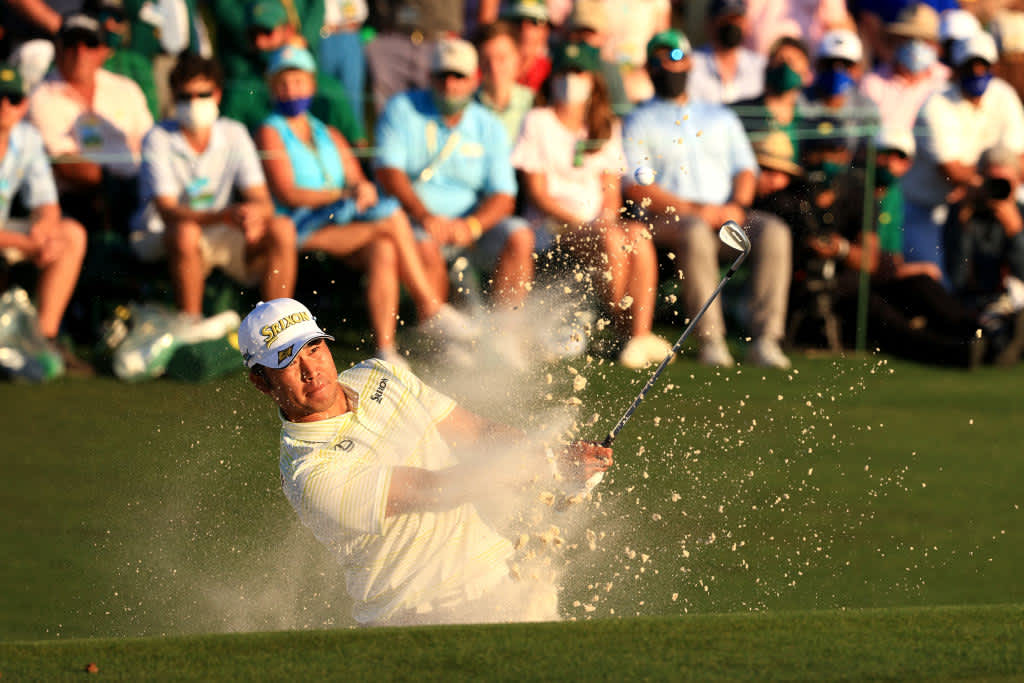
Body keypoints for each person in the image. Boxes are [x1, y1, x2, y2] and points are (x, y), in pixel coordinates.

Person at [240, 296, 613, 626]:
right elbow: (436, 490)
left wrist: (550, 457)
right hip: (420, 616)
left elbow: (478, 433)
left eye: (314, 348)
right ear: (261, 383)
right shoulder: (311, 474)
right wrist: (546, 465)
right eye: (287, 361)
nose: (311, 369)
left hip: (500, 577)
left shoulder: (377, 374)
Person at [256, 46, 477, 366]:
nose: (292, 90)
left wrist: (360, 190)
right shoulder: (270, 130)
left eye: (299, 81)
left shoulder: (327, 132)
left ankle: (386, 349)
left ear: (312, 85)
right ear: (272, 87)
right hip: (297, 226)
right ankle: (430, 307)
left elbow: (357, 179)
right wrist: (343, 193)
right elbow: (289, 193)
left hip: (337, 223)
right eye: (284, 83)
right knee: (391, 218)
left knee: (385, 246)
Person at [781, 120, 1021, 367]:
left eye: (898, 157)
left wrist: (848, 252)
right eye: (884, 155)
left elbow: (876, 257)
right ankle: (956, 352)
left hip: (870, 278)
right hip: (843, 289)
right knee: (884, 314)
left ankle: (988, 334)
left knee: (923, 284)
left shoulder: (887, 194)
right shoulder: (816, 195)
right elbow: (866, 260)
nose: (890, 164)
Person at [623, 30, 793, 369]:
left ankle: (765, 339)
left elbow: (746, 170)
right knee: (695, 230)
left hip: (727, 215)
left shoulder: (720, 116)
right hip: (672, 220)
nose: (666, 66)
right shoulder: (638, 120)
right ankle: (711, 340)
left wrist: (738, 206)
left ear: (689, 63)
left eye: (673, 57)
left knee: (774, 231)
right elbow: (638, 186)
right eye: (657, 60)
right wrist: (700, 210)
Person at [511, 42, 672, 368]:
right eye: (565, 72)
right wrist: (584, 222)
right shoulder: (538, 121)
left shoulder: (604, 125)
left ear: (592, 79)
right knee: (612, 240)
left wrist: (607, 218)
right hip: (551, 226)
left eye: (579, 72)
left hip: (596, 223)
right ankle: (625, 328)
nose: (571, 79)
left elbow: (610, 188)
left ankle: (638, 335)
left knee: (637, 234)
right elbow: (538, 195)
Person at [374, 38, 536, 357]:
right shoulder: (402, 109)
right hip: (416, 221)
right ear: (430, 77)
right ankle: (441, 341)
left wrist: (473, 225)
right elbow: (389, 173)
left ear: (475, 80)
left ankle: (504, 335)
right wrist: (424, 216)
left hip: (470, 224)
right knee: (424, 244)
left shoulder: (487, 125)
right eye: (443, 75)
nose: (450, 84)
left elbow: (504, 195)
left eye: (459, 76)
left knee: (519, 235)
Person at [130, 54, 297, 318]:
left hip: (221, 228)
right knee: (185, 232)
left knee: (282, 228)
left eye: (202, 94)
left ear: (217, 94)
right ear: (174, 97)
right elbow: (167, 212)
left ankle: (281, 328)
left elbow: (261, 200)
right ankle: (192, 325)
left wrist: (252, 216)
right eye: (185, 96)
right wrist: (228, 216)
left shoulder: (234, 132)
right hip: (161, 233)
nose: (194, 103)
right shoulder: (157, 138)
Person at [900, 30, 1024, 274]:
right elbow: (952, 170)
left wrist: (993, 186)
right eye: (969, 67)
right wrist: (993, 179)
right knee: (939, 282)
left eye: (983, 66)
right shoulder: (936, 104)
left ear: (994, 68)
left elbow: (1018, 158)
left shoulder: (1003, 95)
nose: (977, 73)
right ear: (956, 69)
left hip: (984, 203)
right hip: (931, 209)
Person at [0, 63, 90, 374]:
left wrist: (43, 230)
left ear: (23, 104)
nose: (4, 106)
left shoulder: (25, 137)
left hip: (8, 233)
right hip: (9, 236)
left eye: (12, 98)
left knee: (69, 234)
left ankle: (43, 339)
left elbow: (47, 202)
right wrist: (29, 242)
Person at [28, 12, 153, 232]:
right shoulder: (40, 97)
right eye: (71, 44)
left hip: (140, 187)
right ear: (57, 48)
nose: (80, 52)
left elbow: (150, 141)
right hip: (82, 199)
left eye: (90, 44)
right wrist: (114, 183)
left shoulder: (126, 88)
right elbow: (63, 163)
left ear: (104, 51)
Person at [214, 0, 365, 146]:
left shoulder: (328, 90)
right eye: (253, 35)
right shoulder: (242, 92)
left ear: (288, 30)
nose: (259, 42)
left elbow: (357, 146)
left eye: (267, 32)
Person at [944, 146, 1024, 313]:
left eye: (1005, 183)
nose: (998, 189)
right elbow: (958, 278)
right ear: (980, 181)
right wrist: (963, 225)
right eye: (993, 182)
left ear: (1017, 181)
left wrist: (1016, 232)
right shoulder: (963, 212)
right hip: (971, 305)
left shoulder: (1021, 214)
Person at [859, 4, 949, 137]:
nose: (915, 45)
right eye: (908, 38)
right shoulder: (872, 83)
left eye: (924, 39)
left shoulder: (948, 81)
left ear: (935, 45)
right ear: (895, 40)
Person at [364, 0, 465, 114]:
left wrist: (452, 27)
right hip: (394, 34)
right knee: (389, 110)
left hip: (438, 38)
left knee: (434, 109)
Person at [732, 35, 810, 154]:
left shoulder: (808, 123)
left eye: (792, 61)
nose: (786, 66)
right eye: (780, 59)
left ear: (806, 74)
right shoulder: (740, 113)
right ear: (768, 67)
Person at [687, 0, 766, 105]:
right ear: (711, 23)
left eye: (737, 20)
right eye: (726, 20)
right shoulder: (691, 64)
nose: (732, 25)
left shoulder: (761, 66)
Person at [563, 0, 631, 116]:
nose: (584, 39)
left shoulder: (610, 71)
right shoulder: (559, 67)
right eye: (578, 32)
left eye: (590, 33)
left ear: (603, 36)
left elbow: (621, 114)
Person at [474, 21, 534, 145]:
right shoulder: (467, 106)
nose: (494, 67)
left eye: (502, 58)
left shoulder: (534, 104)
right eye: (486, 60)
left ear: (518, 58)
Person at [501, 0, 552, 93]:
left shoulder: (552, 76)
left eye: (534, 22)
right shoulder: (486, 69)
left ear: (546, 31)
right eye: (517, 21)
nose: (524, 29)